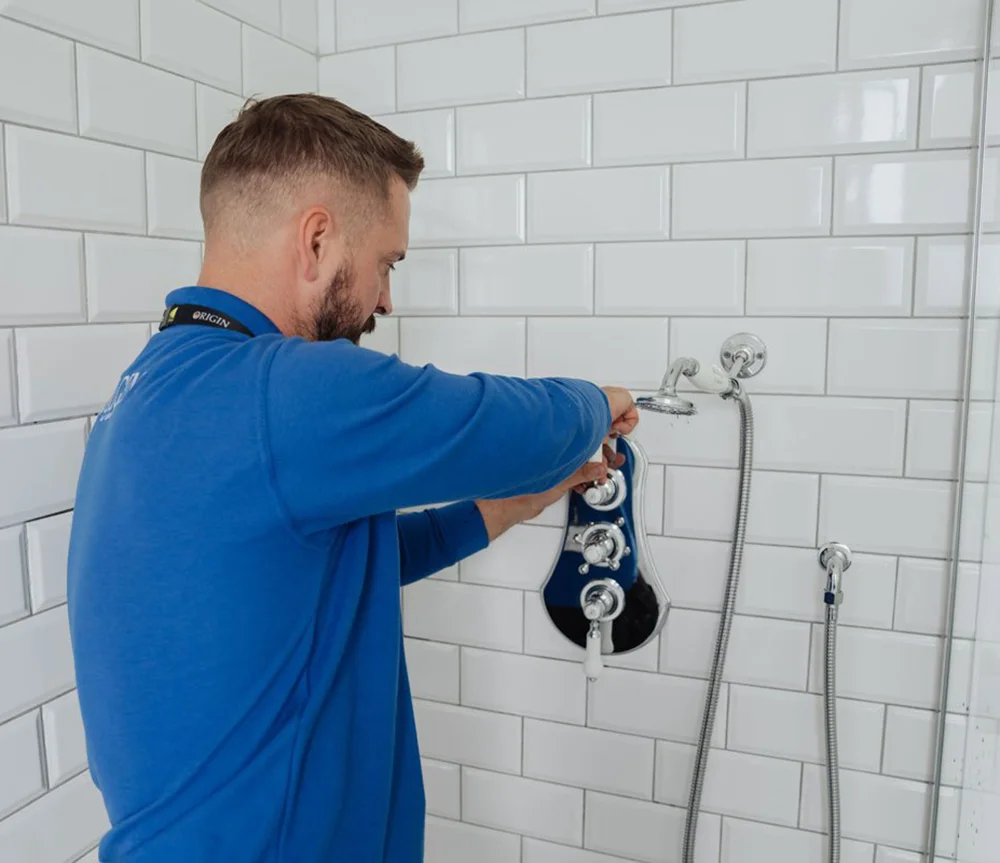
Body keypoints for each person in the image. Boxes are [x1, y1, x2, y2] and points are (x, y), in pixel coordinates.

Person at [67, 93, 639, 863]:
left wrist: (503, 509)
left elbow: (311, 572)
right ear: (316, 239)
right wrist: (599, 403)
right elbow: (498, 422)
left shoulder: (154, 389)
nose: (385, 298)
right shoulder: (286, 390)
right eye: (386, 262)